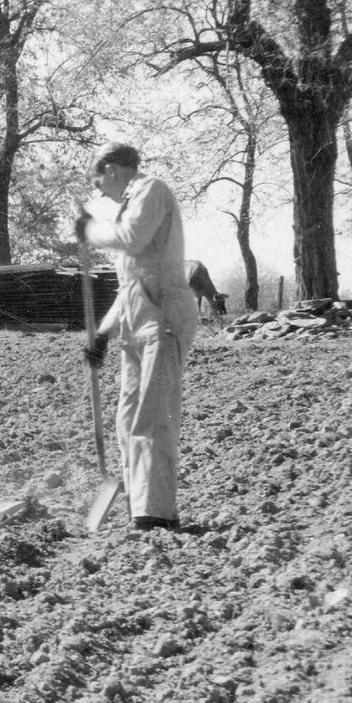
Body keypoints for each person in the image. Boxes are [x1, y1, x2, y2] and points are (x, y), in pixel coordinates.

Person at [76, 144, 198, 532]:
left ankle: (156, 513)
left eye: (98, 182)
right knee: (127, 419)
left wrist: (90, 229)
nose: (99, 191)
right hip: (135, 323)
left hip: (163, 317)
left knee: (153, 416)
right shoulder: (130, 206)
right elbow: (130, 285)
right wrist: (102, 334)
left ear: (112, 170)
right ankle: (138, 503)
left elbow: (131, 238)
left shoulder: (151, 189)